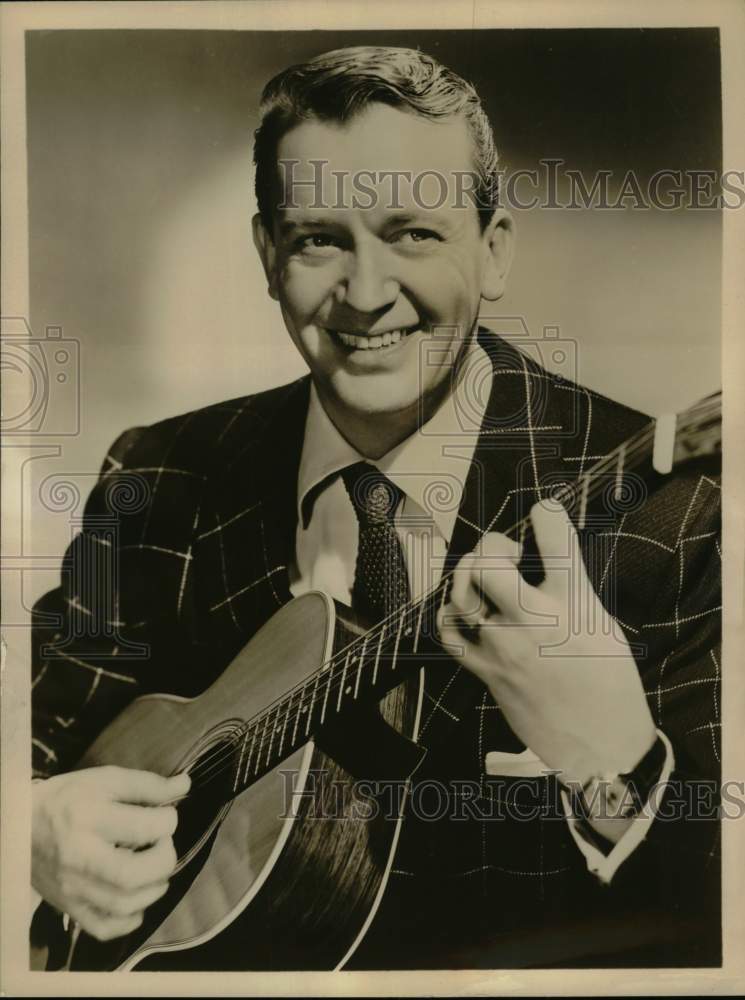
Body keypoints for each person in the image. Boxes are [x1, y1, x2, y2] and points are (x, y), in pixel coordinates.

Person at [30, 46, 721, 969]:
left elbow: (719, 912)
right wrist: (26, 828)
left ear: (494, 251)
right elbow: (31, 727)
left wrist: (620, 767)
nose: (363, 294)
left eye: (414, 235)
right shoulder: (157, 474)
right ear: (267, 255)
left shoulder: (678, 515)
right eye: (319, 237)